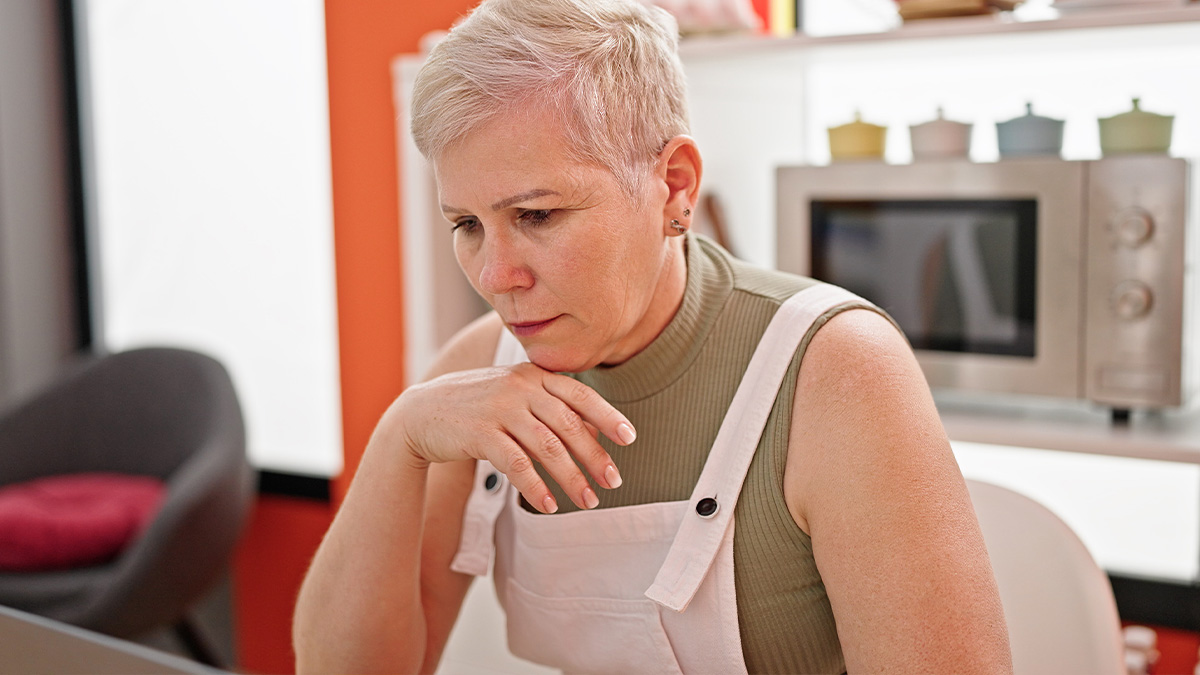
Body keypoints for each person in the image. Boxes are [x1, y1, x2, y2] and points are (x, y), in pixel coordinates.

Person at [293, 0, 1012, 672]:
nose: (497, 274)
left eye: (538, 215)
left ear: (672, 185)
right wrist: (402, 433)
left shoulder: (838, 369)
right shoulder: (483, 364)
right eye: (467, 225)